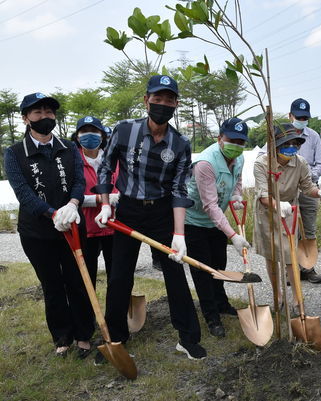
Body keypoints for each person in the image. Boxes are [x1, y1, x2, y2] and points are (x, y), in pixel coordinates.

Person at [93, 75, 206, 361]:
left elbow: (180, 188)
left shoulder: (180, 143)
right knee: (119, 277)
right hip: (128, 210)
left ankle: (188, 338)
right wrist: (106, 205)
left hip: (161, 213)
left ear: (176, 104)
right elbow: (106, 168)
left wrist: (179, 234)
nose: (163, 104)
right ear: (146, 100)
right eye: (157, 99)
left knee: (175, 274)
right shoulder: (124, 130)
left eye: (169, 100)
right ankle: (115, 338)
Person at [4, 93, 94, 358]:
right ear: (25, 118)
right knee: (52, 285)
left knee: (78, 281)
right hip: (37, 232)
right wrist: (53, 214)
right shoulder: (14, 153)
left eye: (49, 112)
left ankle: (83, 334)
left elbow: (79, 180)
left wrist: (73, 204)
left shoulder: (69, 147)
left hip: (73, 227)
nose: (45, 117)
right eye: (37, 112)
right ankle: (62, 335)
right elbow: (23, 192)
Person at [253, 123, 321, 311]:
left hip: (289, 210)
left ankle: (297, 297)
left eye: (294, 144)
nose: (291, 148)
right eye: (286, 144)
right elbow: (264, 195)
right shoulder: (262, 164)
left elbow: (307, 187)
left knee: (291, 256)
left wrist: (320, 193)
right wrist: (276, 204)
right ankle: (277, 293)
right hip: (267, 212)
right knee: (271, 256)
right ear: (275, 146)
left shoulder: (300, 163)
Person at [185, 118, 250, 338]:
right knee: (203, 269)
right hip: (194, 221)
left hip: (217, 221)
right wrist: (233, 235)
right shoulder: (205, 163)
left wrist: (236, 195)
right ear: (220, 138)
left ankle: (221, 304)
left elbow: (237, 179)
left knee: (219, 264)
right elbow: (209, 205)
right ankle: (211, 316)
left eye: (241, 141)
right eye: (231, 139)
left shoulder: (239, 158)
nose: (236, 144)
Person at [71, 116, 119, 284]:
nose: (89, 135)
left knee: (116, 274)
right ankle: (88, 311)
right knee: (87, 275)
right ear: (77, 136)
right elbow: (73, 197)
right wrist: (101, 199)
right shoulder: (73, 161)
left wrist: (118, 197)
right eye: (84, 131)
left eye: (94, 131)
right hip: (86, 227)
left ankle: (116, 310)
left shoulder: (113, 159)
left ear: (102, 135)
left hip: (113, 226)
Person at [288, 98, 321, 284]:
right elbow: (264, 157)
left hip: (309, 189)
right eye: (299, 117)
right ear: (290, 116)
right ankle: (292, 269)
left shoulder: (313, 136)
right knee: (290, 230)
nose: (302, 120)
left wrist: (306, 176)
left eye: (305, 117)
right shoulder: (280, 134)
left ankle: (309, 267)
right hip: (287, 191)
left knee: (309, 230)